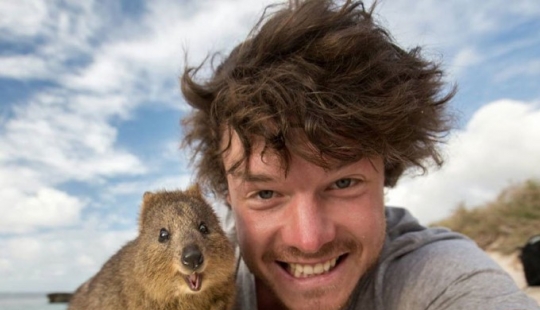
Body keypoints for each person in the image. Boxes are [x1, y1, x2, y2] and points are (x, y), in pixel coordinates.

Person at [180, 0, 540, 309]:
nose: (309, 240)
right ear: (227, 195)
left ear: (388, 170)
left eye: (343, 182)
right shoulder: (183, 282)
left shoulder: (441, 276)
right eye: (266, 193)